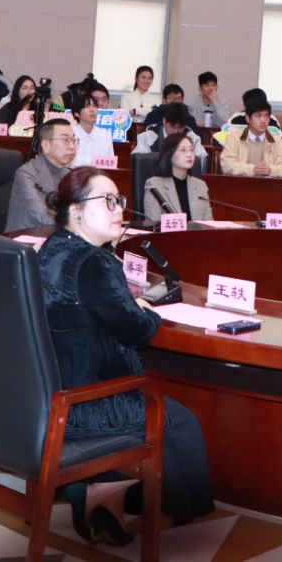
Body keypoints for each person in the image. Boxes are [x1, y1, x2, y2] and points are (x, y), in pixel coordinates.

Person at [38, 166, 214, 542]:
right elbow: (138, 330)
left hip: (49, 392)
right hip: (88, 402)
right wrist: (147, 312)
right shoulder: (94, 262)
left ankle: (100, 494)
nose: (119, 208)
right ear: (76, 210)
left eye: (119, 200)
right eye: (107, 201)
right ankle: (173, 518)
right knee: (179, 423)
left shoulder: (53, 247)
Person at [8, 117, 78, 230]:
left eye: (73, 140)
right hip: (25, 237)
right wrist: (80, 226)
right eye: (65, 140)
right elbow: (43, 216)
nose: (72, 146)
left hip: (57, 235)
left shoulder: (69, 174)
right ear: (46, 145)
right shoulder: (26, 173)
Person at [142, 131, 212, 224]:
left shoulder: (200, 186)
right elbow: (153, 224)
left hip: (197, 233)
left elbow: (209, 223)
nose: (189, 154)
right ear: (169, 154)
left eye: (191, 150)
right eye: (183, 150)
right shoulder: (154, 185)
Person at [219, 98, 282, 177]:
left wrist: (270, 170)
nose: (263, 120)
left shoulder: (277, 140)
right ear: (248, 119)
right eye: (258, 116)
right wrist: (252, 169)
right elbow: (227, 165)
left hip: (267, 183)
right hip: (240, 183)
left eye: (266, 116)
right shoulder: (234, 138)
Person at [133, 102, 202, 154]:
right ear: (164, 121)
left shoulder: (193, 139)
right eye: (173, 126)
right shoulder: (147, 138)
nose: (176, 132)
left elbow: (201, 164)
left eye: (180, 128)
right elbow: (138, 163)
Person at [70, 92, 115, 167]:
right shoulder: (70, 134)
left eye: (94, 106)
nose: (92, 110)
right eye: (86, 106)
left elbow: (110, 164)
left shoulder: (105, 134)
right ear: (76, 113)